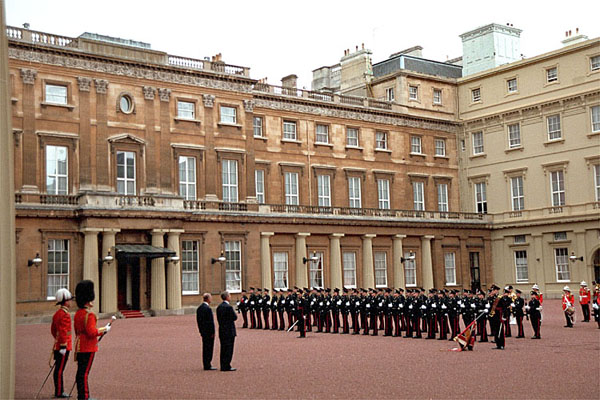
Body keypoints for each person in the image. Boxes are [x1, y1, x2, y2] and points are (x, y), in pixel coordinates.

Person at [74, 280, 110, 400]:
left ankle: (82, 395)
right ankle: (84, 396)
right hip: (88, 347)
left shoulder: (78, 313)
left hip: (79, 345)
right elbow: (91, 332)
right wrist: (104, 329)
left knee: (81, 372)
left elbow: (78, 330)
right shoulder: (89, 315)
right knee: (84, 373)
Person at [51, 288, 73, 398]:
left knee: (58, 369)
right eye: (69, 300)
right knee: (59, 370)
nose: (70, 302)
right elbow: (64, 331)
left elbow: (53, 331)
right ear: (65, 301)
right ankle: (59, 391)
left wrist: (58, 340)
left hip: (58, 345)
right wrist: (63, 345)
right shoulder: (65, 315)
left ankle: (59, 390)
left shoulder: (57, 314)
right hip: (63, 346)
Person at [216, 291, 237, 372]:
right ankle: (227, 365)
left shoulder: (219, 307)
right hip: (229, 330)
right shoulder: (229, 307)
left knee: (223, 348)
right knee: (229, 349)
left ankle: (223, 364)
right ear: (227, 297)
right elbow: (234, 317)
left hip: (222, 330)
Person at [196, 293, 216, 371]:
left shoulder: (200, 308)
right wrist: (213, 332)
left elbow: (199, 321)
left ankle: (206, 363)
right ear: (207, 299)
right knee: (209, 348)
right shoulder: (208, 309)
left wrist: (201, 331)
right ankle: (208, 364)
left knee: (205, 348)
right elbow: (210, 322)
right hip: (208, 332)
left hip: (203, 331)